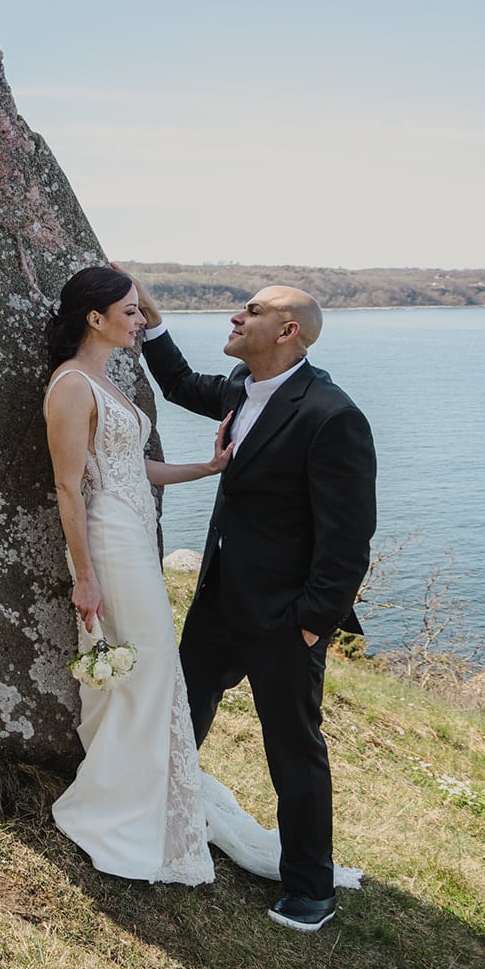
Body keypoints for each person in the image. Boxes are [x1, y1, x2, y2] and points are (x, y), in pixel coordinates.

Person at [132, 273, 376, 932]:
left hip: (283, 623)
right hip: (218, 608)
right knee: (178, 720)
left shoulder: (332, 414)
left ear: (287, 330)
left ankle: (310, 892)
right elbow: (183, 385)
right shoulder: (243, 388)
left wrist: (308, 625)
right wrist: (152, 325)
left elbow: (349, 540)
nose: (237, 315)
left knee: (293, 755)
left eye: (253, 309)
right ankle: (156, 828)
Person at [43, 265, 233, 885]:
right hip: (109, 547)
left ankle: (151, 795)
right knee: (142, 673)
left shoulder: (106, 379)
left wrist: (208, 468)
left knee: (152, 671)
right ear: (93, 319)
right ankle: (121, 806)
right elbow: (69, 489)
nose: (140, 319)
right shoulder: (71, 386)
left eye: (140, 310)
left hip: (135, 541)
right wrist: (84, 576)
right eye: (129, 311)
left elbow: (137, 470)